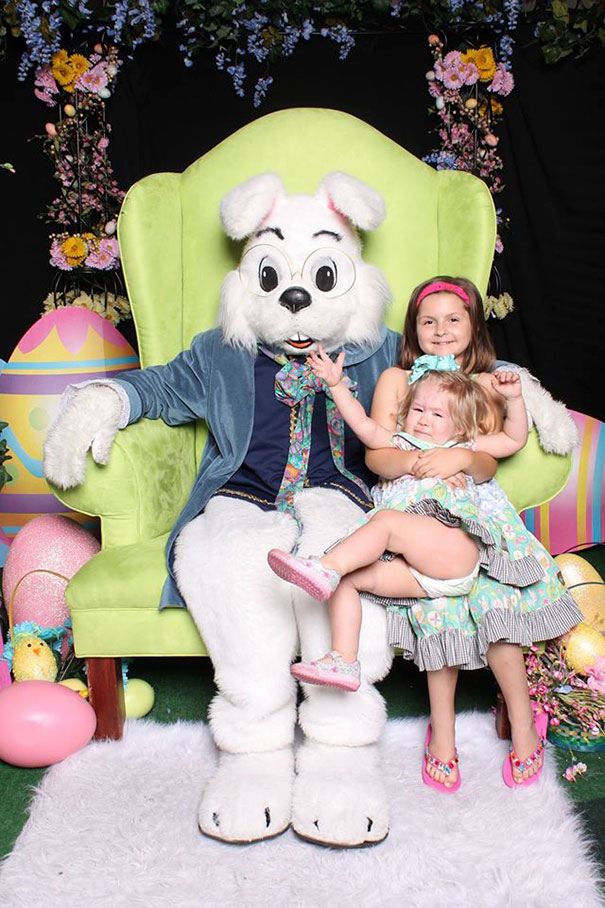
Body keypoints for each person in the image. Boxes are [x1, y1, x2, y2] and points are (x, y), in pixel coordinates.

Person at [268, 348, 581, 791]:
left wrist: (512, 401)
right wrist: (336, 385)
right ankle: (343, 659)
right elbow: (363, 425)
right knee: (350, 579)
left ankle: (323, 565)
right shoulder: (399, 445)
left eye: (437, 414)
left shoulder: (462, 449)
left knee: (385, 526)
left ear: (461, 427)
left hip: (456, 554)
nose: (422, 419)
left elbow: (511, 441)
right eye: (417, 409)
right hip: (418, 572)